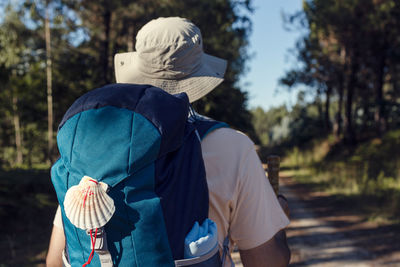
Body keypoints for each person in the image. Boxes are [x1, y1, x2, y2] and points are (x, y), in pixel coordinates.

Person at [46, 17, 290, 267]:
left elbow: (55, 261)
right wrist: (279, 220)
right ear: (199, 77)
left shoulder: (94, 147)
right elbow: (266, 261)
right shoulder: (233, 147)